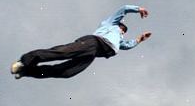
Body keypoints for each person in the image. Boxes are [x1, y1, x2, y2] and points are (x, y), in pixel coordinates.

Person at [10, 5, 151, 79]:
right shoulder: (110, 24)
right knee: (61, 53)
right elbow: (124, 9)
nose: (122, 32)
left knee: (66, 72)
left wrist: (139, 39)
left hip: (94, 53)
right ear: (119, 25)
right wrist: (138, 9)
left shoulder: (119, 40)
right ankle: (24, 61)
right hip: (93, 42)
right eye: (122, 29)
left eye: (124, 32)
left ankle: (26, 71)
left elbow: (126, 45)